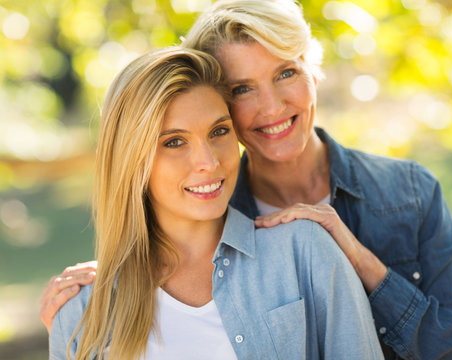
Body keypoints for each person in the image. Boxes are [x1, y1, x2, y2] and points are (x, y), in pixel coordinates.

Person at [43, 1, 452, 359]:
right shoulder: (208, 203)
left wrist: (357, 257)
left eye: (286, 73)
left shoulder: (405, 194)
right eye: (242, 88)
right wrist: (95, 301)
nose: (272, 106)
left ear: (313, 73)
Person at [48, 46, 383, 359]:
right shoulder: (82, 310)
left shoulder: (305, 252)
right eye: (175, 142)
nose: (208, 161)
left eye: (219, 132)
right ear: (132, 160)